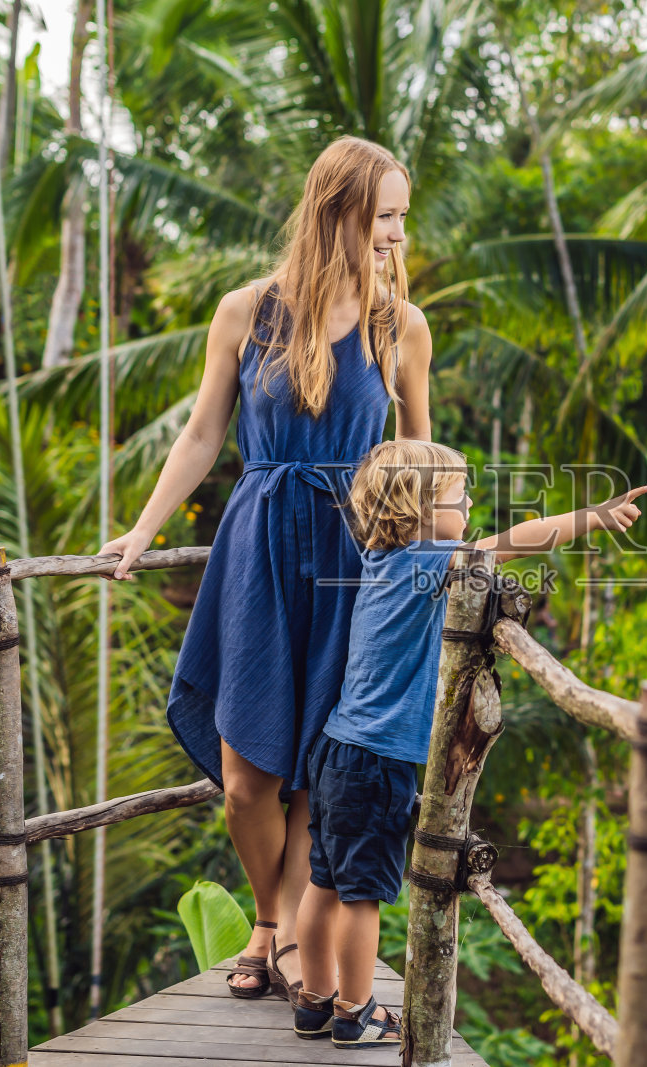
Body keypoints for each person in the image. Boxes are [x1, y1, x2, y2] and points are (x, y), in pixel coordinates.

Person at [98, 137, 433, 1003]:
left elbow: (419, 456)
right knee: (248, 774)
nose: (399, 233)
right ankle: (266, 913)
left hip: (356, 556)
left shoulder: (402, 324)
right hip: (259, 548)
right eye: (384, 216)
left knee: (325, 757)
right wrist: (141, 530)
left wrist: (447, 556)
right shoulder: (245, 311)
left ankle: (279, 936)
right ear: (339, 214)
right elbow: (203, 434)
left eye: (401, 215)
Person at [291, 438, 647, 1047]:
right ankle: (355, 1012)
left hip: (338, 749)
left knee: (324, 880)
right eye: (460, 496)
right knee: (362, 895)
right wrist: (593, 517)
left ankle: (313, 1001)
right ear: (419, 509)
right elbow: (516, 539)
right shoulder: (429, 560)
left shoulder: (382, 558)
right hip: (379, 760)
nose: (472, 503)